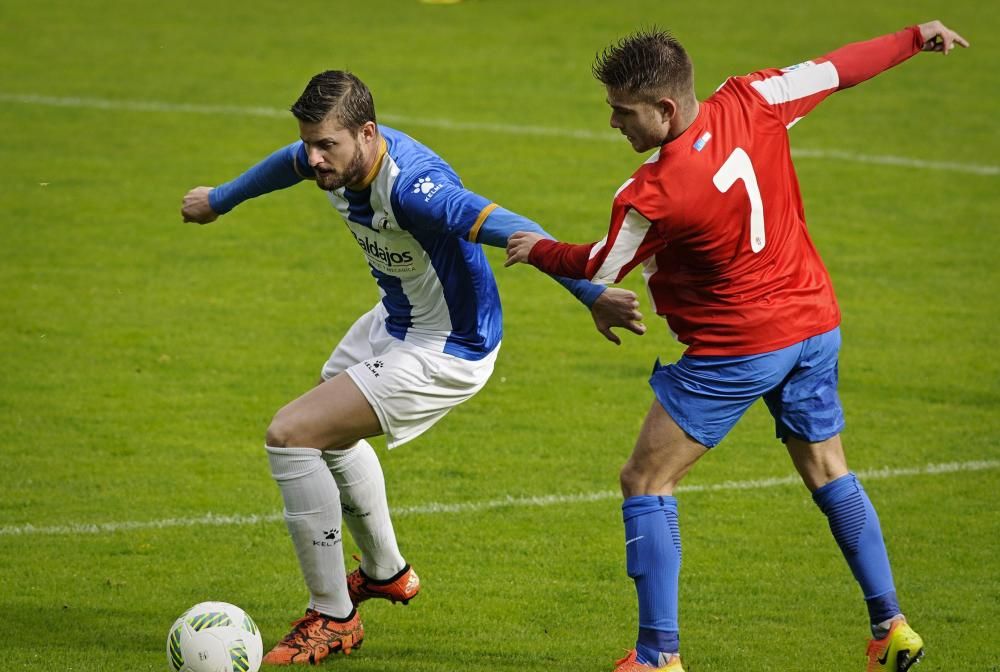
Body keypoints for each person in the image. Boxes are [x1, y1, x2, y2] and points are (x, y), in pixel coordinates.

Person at [505, 20, 968, 672]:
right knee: (830, 470)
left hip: (738, 347)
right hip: (813, 323)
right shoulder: (755, 99)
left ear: (664, 110)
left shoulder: (655, 193)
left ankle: (656, 656)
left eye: (621, 110)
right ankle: (891, 625)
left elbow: (604, 266)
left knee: (646, 479)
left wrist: (537, 250)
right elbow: (839, 68)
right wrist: (915, 35)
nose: (612, 122)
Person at [180, 70, 644, 665]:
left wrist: (593, 295)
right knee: (328, 439)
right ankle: (385, 572)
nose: (315, 159)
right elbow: (286, 162)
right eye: (311, 144)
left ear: (367, 133)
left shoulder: (417, 189)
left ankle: (333, 616)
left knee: (291, 435)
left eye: (328, 147)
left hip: (448, 346)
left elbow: (519, 231)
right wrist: (220, 200)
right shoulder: (335, 156)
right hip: (397, 318)